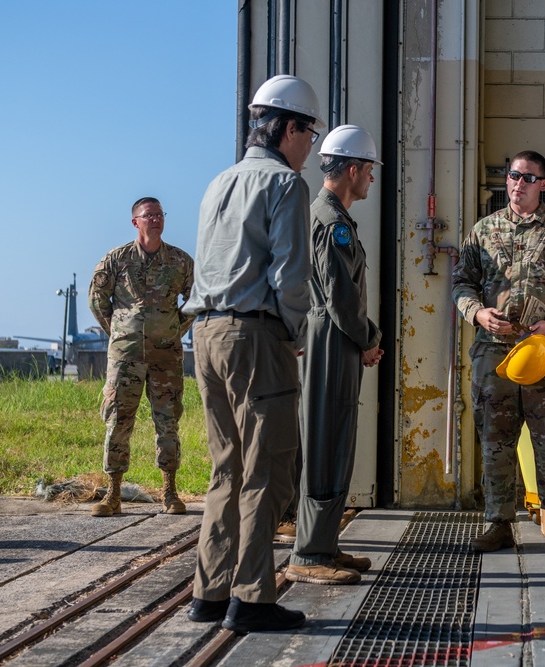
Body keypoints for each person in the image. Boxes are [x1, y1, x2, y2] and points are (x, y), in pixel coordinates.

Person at [182, 74, 323, 633]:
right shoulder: (286, 186)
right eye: (308, 133)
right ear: (288, 128)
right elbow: (290, 277)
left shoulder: (218, 182)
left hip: (207, 334)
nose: (310, 146)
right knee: (267, 469)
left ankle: (209, 594)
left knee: (226, 471)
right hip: (255, 335)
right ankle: (253, 599)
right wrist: (296, 334)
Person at [451, 150, 545, 554]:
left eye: (528, 178)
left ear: (543, 184)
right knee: (495, 439)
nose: (518, 183)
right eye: (513, 175)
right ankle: (499, 523)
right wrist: (478, 314)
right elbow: (461, 283)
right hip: (494, 353)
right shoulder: (484, 230)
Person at [285, 125, 384, 586]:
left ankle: (323, 543)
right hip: (334, 338)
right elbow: (341, 296)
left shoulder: (328, 216)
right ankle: (309, 554)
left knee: (335, 439)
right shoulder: (331, 222)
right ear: (352, 170)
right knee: (327, 441)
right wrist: (368, 339)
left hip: (332, 337)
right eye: (369, 171)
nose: (371, 180)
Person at [88, 197, 194, 518]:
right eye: (149, 215)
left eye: (160, 215)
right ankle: (114, 494)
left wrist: (175, 327)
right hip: (126, 357)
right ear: (136, 222)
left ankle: (170, 492)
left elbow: (196, 297)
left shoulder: (179, 261)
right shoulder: (116, 260)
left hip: (166, 358)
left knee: (168, 422)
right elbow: (97, 300)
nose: (156, 220)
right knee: (118, 420)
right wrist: (119, 332)